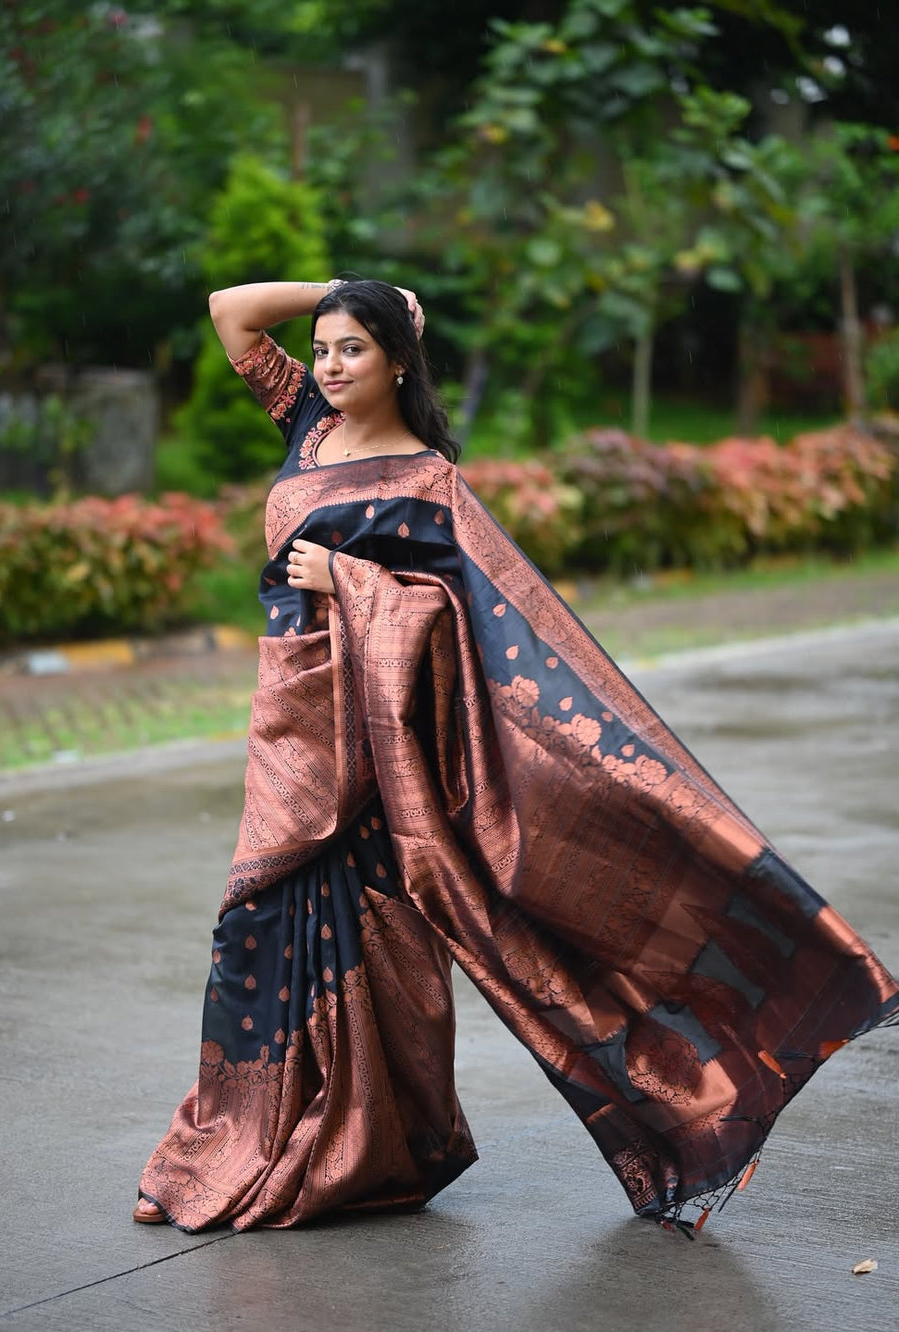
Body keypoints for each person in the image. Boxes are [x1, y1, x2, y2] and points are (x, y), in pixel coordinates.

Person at [134, 278, 898, 1235]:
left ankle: (366, 1152)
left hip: (386, 747)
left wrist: (350, 579)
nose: (329, 366)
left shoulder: (432, 483)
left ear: (399, 362)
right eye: (322, 347)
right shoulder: (304, 426)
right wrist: (339, 289)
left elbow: (470, 627)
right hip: (297, 729)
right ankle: (242, 1138)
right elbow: (227, 309)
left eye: (352, 349)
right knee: (257, 924)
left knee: (385, 943)